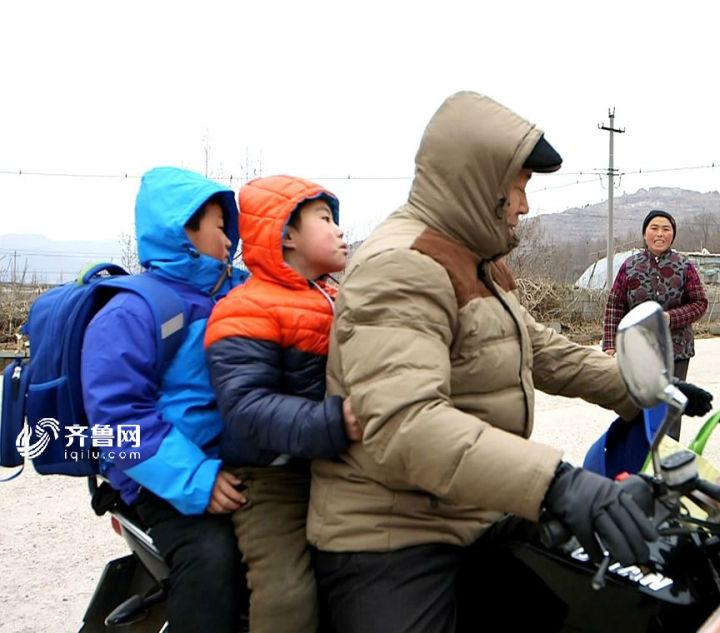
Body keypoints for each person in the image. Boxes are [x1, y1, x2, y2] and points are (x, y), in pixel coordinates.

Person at [307, 91, 657, 633]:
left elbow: (537, 347)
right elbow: (408, 425)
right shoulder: (400, 266)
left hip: (472, 510)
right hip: (393, 535)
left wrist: (641, 387)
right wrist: (558, 483)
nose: (525, 205)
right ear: (481, 182)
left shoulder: (476, 259)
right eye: (519, 186)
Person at [81, 167, 248, 632]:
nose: (229, 239)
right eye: (220, 227)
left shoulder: (236, 293)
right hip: (165, 478)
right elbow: (116, 423)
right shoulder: (132, 311)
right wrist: (195, 477)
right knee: (213, 561)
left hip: (235, 461)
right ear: (184, 230)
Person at [204, 175, 360, 633]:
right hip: (271, 477)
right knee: (288, 594)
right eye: (325, 219)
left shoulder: (340, 298)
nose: (339, 230)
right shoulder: (245, 308)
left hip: (334, 464)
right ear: (286, 234)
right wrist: (334, 421)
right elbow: (246, 406)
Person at [601, 210, 708, 439]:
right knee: (637, 406)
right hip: (638, 350)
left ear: (672, 235)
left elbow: (700, 303)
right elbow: (615, 305)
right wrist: (610, 343)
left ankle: (668, 453)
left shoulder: (684, 266)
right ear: (645, 233)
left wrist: (670, 317)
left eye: (666, 229)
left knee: (671, 406)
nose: (660, 234)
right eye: (654, 228)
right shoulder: (630, 266)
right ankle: (641, 453)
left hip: (676, 350)